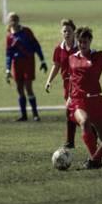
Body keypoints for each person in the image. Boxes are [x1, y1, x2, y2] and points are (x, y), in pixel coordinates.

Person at [66, 27, 102, 169]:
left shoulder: (98, 56)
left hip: (96, 100)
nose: (82, 44)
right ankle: (95, 159)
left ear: (90, 41)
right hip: (78, 100)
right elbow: (72, 79)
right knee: (84, 122)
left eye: (85, 41)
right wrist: (69, 96)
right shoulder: (72, 58)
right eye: (79, 42)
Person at [5, 12, 47, 122]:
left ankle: (35, 114)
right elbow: (8, 54)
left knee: (28, 87)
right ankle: (23, 115)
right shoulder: (9, 36)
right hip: (16, 64)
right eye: (11, 19)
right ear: (8, 21)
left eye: (15, 19)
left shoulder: (26, 31)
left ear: (18, 20)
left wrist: (42, 60)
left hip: (28, 62)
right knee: (19, 88)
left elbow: (36, 46)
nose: (13, 21)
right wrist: (8, 69)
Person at [45, 19, 78, 148]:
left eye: (69, 31)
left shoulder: (79, 46)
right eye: (64, 31)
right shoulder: (59, 49)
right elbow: (56, 65)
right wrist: (49, 81)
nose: (67, 33)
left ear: (74, 32)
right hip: (66, 85)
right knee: (72, 112)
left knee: (72, 110)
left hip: (78, 83)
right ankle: (72, 140)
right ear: (61, 32)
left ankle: (71, 141)